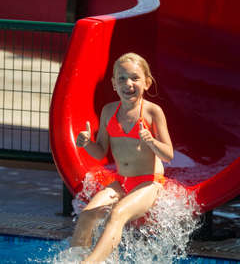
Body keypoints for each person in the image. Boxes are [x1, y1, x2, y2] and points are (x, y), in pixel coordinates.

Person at [72, 52, 174, 263]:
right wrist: (86, 143)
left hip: (148, 183)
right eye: (122, 78)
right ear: (113, 84)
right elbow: (100, 151)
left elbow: (169, 155)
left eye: (135, 78)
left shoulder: (152, 112)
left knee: (117, 214)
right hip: (122, 182)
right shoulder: (109, 111)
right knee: (87, 216)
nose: (128, 84)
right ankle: (73, 259)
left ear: (147, 82)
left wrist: (151, 141)